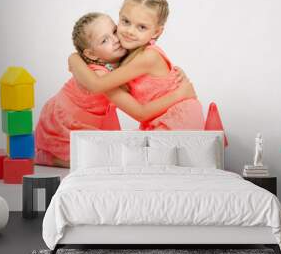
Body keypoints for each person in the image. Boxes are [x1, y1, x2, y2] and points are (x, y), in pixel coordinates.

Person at [35, 12, 196, 168]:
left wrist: (174, 72)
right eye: (104, 40)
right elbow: (141, 112)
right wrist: (180, 94)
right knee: (97, 160)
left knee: (110, 152)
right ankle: (49, 158)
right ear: (91, 54)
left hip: (89, 118)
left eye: (113, 31)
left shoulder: (119, 59)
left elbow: (146, 72)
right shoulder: (100, 76)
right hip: (65, 123)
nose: (115, 40)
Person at [69, 0, 205, 131]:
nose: (130, 31)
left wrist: (74, 58)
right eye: (126, 21)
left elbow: (97, 85)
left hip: (179, 116)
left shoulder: (147, 56)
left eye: (141, 27)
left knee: (141, 149)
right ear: (119, 16)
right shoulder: (126, 51)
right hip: (158, 117)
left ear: (156, 32)